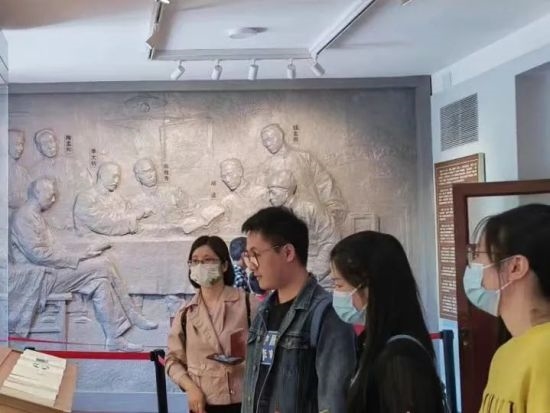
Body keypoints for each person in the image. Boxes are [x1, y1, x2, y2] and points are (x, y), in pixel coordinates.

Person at [10, 178, 157, 351]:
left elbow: (52, 246)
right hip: (40, 277)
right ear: (37, 193)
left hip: (51, 271)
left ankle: (114, 338)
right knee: (103, 264)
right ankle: (132, 313)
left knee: (100, 283)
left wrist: (85, 249)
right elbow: (38, 255)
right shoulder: (24, 217)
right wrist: (80, 256)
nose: (54, 199)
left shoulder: (34, 215)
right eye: (50, 195)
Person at [240, 207, 356, 413]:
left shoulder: (326, 314)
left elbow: (334, 400)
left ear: (288, 252)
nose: (252, 266)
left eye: (256, 255)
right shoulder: (263, 311)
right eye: (248, 256)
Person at [330, 230, 445, 413]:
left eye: (339, 285)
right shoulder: (370, 341)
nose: (335, 293)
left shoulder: (400, 359)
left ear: (369, 286)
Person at [463, 204, 550, 412]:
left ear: (515, 267)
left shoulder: (545, 354)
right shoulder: (505, 353)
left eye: (478, 254)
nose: (472, 265)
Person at [166, 236, 259, 413]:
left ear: (224, 265)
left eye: (208, 260)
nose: (200, 265)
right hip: (203, 405)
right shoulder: (186, 313)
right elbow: (172, 360)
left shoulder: (248, 304)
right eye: (195, 261)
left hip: (245, 403)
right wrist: (190, 388)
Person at [260, 124, 347, 228]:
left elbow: (323, 183)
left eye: (269, 139)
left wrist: (333, 209)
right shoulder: (267, 166)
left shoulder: (304, 158)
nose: (266, 144)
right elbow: (263, 194)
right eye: (264, 141)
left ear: (280, 135)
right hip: (283, 224)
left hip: (312, 219)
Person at [267, 170, 339, 286]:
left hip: (318, 278)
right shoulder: (275, 216)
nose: (270, 198)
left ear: (286, 193)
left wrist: (314, 274)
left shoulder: (312, 209)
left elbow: (331, 240)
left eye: (273, 193)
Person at [30, 128, 93, 229]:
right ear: (39, 148)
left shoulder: (73, 164)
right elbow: (32, 201)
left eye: (51, 141)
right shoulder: (35, 171)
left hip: (73, 216)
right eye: (45, 144)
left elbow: (88, 187)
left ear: (57, 142)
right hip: (49, 220)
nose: (50, 146)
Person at [74, 162, 153, 235]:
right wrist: (134, 215)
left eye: (118, 177)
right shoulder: (86, 198)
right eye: (114, 176)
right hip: (92, 242)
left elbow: (128, 209)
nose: (117, 181)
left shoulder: (117, 198)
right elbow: (104, 223)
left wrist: (141, 210)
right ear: (102, 175)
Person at [8, 129, 31, 211]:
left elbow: (30, 195)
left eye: (22, 144)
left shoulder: (23, 172)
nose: (21, 148)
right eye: (17, 144)